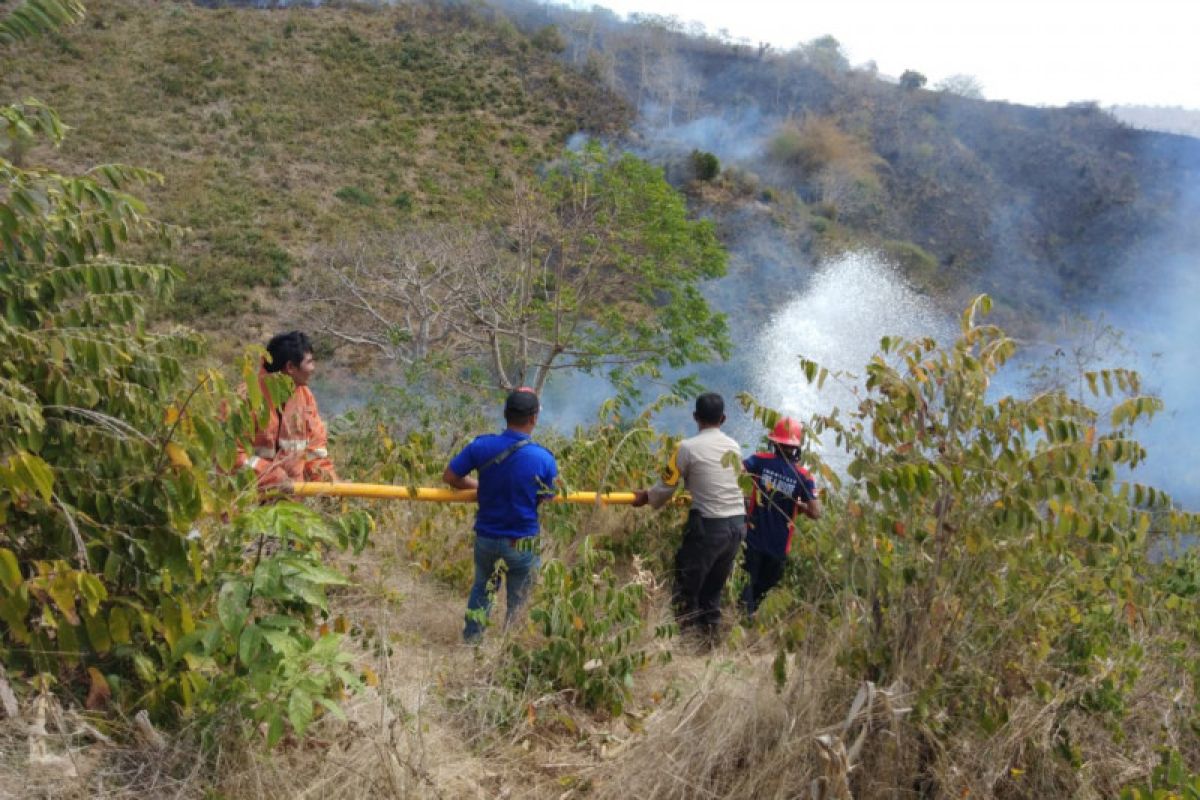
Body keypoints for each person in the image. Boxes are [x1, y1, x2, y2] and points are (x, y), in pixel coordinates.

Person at [443, 387, 558, 643]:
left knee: (482, 591)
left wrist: (479, 487)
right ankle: (509, 651)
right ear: (534, 419)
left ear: (505, 414)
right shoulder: (543, 458)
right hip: (522, 541)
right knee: (520, 600)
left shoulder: (481, 446)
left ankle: (472, 644)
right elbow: (547, 497)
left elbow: (450, 477)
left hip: (486, 537)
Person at [631, 392, 745, 643]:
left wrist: (646, 497)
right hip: (737, 526)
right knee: (713, 590)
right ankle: (710, 643)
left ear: (695, 417)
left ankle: (685, 645)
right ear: (723, 418)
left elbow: (665, 488)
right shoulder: (734, 447)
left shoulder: (686, 448)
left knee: (686, 584)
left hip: (709, 526)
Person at [234, 330, 338, 491]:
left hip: (291, 505)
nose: (313, 368)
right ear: (290, 367)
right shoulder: (244, 400)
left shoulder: (306, 398)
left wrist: (331, 484)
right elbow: (232, 457)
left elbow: (315, 452)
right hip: (247, 504)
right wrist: (272, 477)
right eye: (309, 362)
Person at [741, 417, 821, 615]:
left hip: (752, 538)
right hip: (779, 545)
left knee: (747, 584)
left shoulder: (759, 460)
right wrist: (798, 505)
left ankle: (742, 617)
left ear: (774, 442)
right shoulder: (803, 476)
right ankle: (745, 618)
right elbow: (816, 512)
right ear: (796, 447)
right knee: (762, 587)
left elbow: (736, 470)